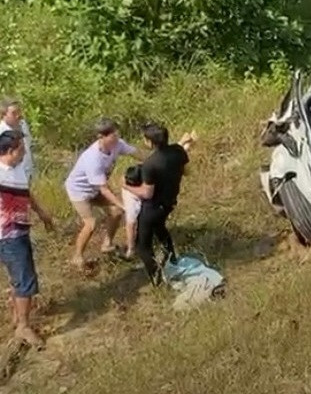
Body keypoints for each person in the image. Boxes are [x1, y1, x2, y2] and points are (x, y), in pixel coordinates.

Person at [0, 130, 54, 348]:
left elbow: (25, 192)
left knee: (18, 277)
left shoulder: (17, 169)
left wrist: (41, 212)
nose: (25, 152)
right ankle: (23, 326)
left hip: (19, 231)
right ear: (11, 151)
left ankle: (17, 317)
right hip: (8, 236)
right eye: (22, 148)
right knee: (25, 280)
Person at [65, 118, 141, 270]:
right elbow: (104, 189)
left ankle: (107, 244)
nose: (116, 137)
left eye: (116, 133)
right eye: (112, 135)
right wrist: (123, 204)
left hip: (96, 188)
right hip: (80, 191)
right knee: (90, 223)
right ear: (102, 137)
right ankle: (77, 256)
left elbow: (137, 153)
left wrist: (156, 162)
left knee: (116, 212)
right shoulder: (93, 158)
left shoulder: (117, 144)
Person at [122, 123, 190, 285]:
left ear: (150, 142)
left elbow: (147, 193)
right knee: (160, 228)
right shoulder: (178, 151)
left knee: (142, 246)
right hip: (169, 202)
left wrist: (127, 186)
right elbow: (186, 171)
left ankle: (156, 277)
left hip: (152, 208)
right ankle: (172, 258)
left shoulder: (150, 164)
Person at [0, 98, 35, 183]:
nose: (18, 115)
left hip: (26, 175)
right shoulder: (2, 132)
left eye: (19, 112)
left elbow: (28, 148)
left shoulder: (23, 126)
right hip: (8, 179)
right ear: (4, 114)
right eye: (13, 113)